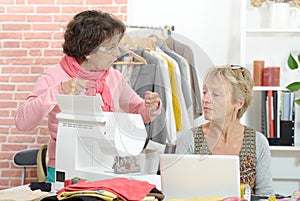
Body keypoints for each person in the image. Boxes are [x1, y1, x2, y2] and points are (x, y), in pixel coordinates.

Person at [14, 10, 161, 182]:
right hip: (64, 169)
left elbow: (139, 110)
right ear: (88, 51)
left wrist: (150, 106)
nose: (116, 54)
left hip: (106, 168)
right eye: (112, 48)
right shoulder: (54, 77)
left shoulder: (114, 77)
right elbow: (22, 122)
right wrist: (57, 91)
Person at [176, 65, 273, 196]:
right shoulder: (189, 139)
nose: (205, 99)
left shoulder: (258, 142)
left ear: (238, 103)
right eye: (205, 92)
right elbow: (178, 193)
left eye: (215, 94)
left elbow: (265, 195)